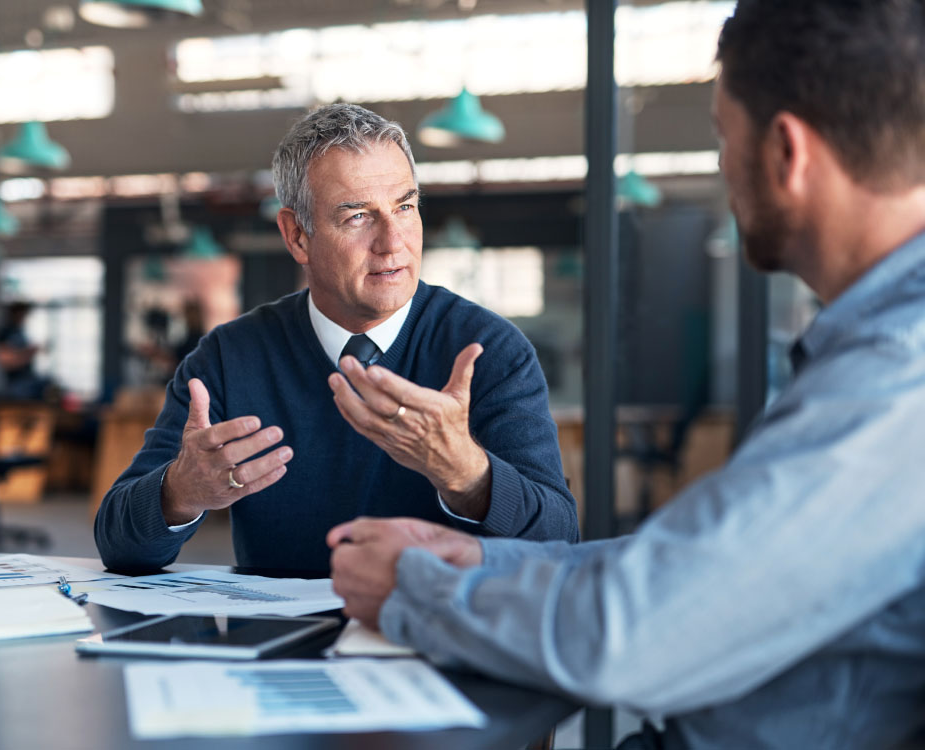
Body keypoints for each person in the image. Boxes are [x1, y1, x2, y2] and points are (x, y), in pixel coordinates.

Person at [328, 2, 925, 747]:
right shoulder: (875, 352)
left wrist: (416, 591)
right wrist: (482, 557)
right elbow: (701, 570)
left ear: (785, 153)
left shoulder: (898, 375)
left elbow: (634, 633)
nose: (721, 166)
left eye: (721, 138)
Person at [94, 103, 578, 572]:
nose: (393, 242)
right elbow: (118, 545)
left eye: (405, 207)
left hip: (431, 638)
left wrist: (468, 475)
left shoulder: (489, 351)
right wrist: (179, 491)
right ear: (297, 236)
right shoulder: (228, 358)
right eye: (358, 217)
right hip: (277, 646)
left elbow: (559, 541)